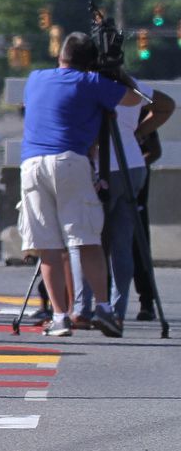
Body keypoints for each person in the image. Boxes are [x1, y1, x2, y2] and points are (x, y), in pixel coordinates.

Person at [18, 33, 151, 337]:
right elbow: (137, 100)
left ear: (60, 57)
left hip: (32, 164)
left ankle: (60, 316)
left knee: (48, 247)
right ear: (90, 63)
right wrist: (116, 73)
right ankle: (103, 308)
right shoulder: (92, 83)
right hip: (70, 161)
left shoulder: (35, 78)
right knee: (86, 239)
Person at [84, 84, 172, 328]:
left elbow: (154, 150)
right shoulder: (133, 93)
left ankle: (92, 306)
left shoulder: (95, 89)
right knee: (121, 244)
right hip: (132, 171)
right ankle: (115, 309)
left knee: (97, 241)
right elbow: (167, 105)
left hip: (113, 172)